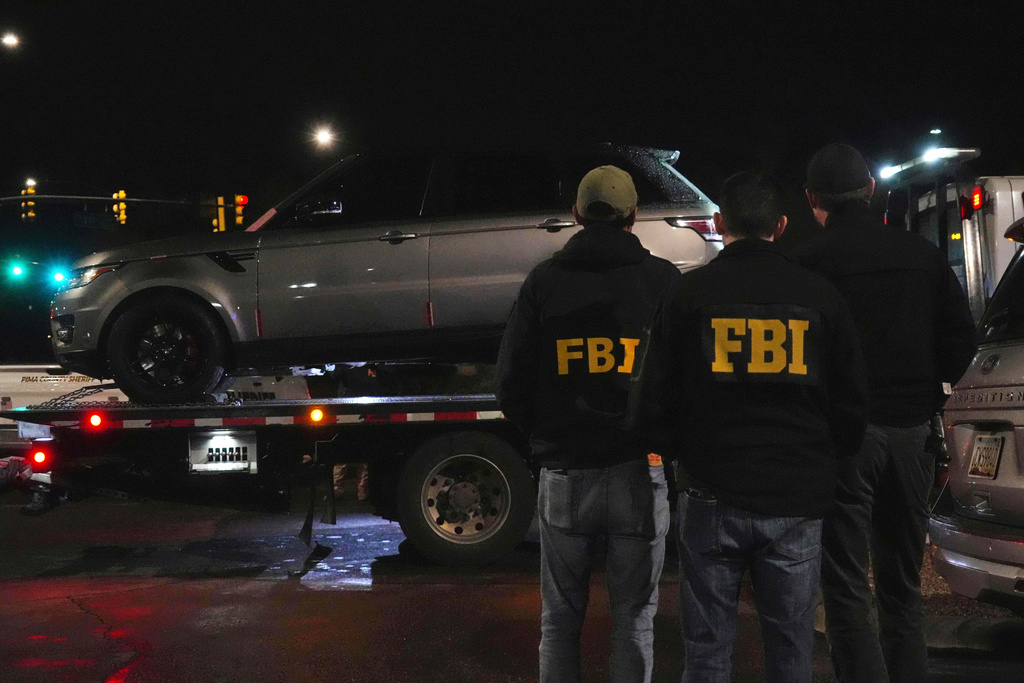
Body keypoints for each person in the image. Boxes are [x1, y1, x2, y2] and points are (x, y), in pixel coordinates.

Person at [631, 171, 869, 682]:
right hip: (797, 495)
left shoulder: (689, 295)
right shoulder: (819, 297)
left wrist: (685, 452)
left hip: (712, 490)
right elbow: (851, 405)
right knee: (790, 645)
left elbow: (650, 400)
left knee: (708, 646)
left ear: (721, 223)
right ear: (781, 226)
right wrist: (823, 462)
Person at [798, 143, 977, 683]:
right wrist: (928, 391)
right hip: (911, 430)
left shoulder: (807, 265)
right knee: (903, 584)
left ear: (812, 200)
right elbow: (961, 341)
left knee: (847, 583)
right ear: (871, 190)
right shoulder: (920, 255)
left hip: (844, 438)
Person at [496, 165, 678, 683]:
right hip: (640, 468)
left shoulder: (545, 281)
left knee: (559, 621)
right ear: (633, 215)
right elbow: (681, 380)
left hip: (566, 471)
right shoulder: (663, 281)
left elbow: (510, 383)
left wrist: (547, 437)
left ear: (576, 214)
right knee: (635, 619)